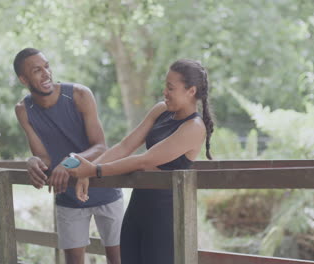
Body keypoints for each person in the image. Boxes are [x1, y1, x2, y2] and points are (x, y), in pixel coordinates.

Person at [67, 59, 214, 264]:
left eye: (171, 87)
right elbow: (125, 146)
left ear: (191, 91)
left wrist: (94, 170)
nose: (165, 92)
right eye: (165, 85)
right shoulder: (161, 110)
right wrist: (89, 171)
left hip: (165, 215)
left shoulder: (194, 127)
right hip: (138, 206)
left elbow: (144, 161)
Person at [13, 48, 123, 264]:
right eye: (37, 70)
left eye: (47, 66)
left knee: (118, 260)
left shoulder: (80, 95)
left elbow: (100, 146)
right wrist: (32, 161)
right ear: (23, 79)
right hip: (67, 195)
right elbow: (43, 158)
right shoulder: (23, 110)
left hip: (105, 189)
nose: (46, 73)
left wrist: (69, 160)